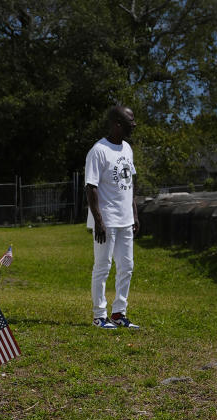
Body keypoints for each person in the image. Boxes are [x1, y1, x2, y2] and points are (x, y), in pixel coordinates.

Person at [86, 105, 140, 330]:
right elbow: (91, 187)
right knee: (103, 267)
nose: (134, 125)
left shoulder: (127, 148)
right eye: (130, 121)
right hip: (106, 222)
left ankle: (119, 313)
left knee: (126, 266)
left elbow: (131, 183)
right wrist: (98, 221)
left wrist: (135, 213)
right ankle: (100, 315)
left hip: (126, 220)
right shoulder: (99, 150)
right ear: (117, 124)